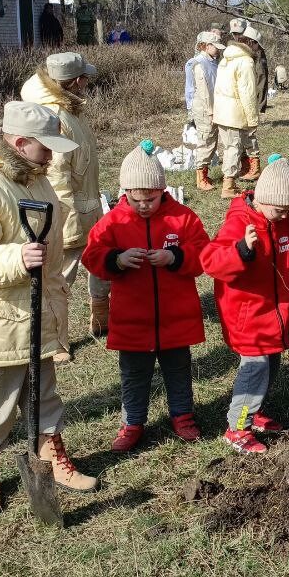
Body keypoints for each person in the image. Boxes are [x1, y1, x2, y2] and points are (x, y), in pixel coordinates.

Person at [0, 100, 99, 517]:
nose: (52, 155)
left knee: (44, 392)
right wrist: (14, 258)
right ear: (20, 141)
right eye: (44, 146)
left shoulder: (35, 178)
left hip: (37, 311)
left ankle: (51, 455)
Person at [82, 141, 210, 452]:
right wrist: (117, 260)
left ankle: (182, 416)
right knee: (133, 374)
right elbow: (92, 254)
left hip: (175, 316)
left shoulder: (183, 218)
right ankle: (133, 423)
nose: (143, 205)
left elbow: (203, 253)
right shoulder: (113, 221)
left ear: (162, 191)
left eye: (150, 199)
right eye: (135, 198)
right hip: (132, 319)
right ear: (124, 193)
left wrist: (175, 257)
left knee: (178, 369)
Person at [201, 156, 289, 454]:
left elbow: (288, 250)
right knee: (255, 370)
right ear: (263, 198)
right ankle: (237, 427)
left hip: (274, 313)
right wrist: (242, 251)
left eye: (288, 212)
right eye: (279, 210)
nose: (283, 216)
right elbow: (211, 262)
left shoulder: (280, 220)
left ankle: (254, 414)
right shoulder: (239, 222)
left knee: (271, 366)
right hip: (247, 315)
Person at [21, 51, 108, 355]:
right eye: (84, 77)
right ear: (74, 80)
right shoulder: (56, 117)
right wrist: (67, 223)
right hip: (69, 213)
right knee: (59, 280)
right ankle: (55, 341)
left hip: (87, 206)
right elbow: (57, 177)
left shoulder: (70, 109)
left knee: (100, 262)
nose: (87, 82)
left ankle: (101, 317)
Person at [212, 27, 261, 200]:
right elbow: (247, 93)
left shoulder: (226, 58)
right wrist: (253, 118)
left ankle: (230, 181)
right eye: (257, 45)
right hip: (234, 112)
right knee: (233, 148)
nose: (258, 49)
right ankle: (228, 186)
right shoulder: (245, 61)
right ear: (251, 43)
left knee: (228, 147)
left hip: (222, 110)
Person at [185, 30, 223, 192]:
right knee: (206, 140)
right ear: (206, 46)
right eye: (215, 46)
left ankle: (204, 174)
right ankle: (201, 177)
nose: (218, 49)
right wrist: (210, 111)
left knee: (212, 140)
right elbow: (203, 91)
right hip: (204, 107)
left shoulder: (213, 61)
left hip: (213, 105)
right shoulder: (198, 63)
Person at [239, 24, 268, 181]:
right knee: (242, 135)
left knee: (249, 134)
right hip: (242, 101)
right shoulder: (245, 56)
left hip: (250, 102)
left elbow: (260, 83)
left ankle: (254, 168)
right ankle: (245, 166)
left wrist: (259, 105)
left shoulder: (256, 59)